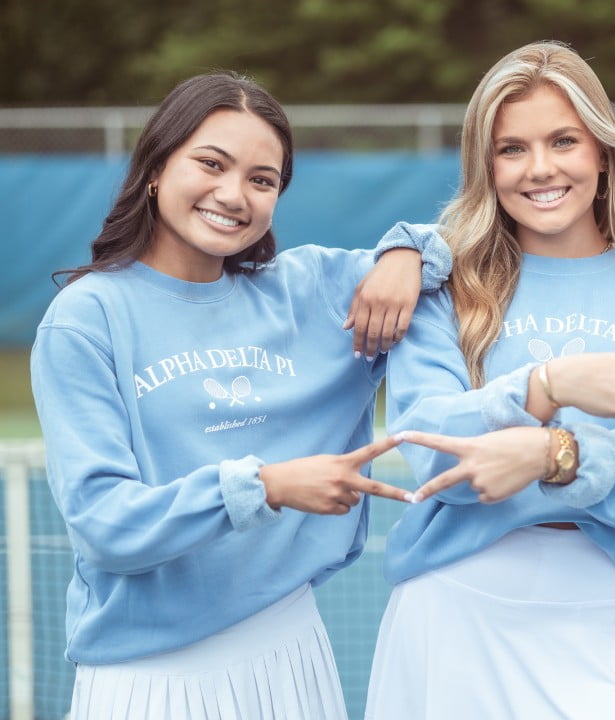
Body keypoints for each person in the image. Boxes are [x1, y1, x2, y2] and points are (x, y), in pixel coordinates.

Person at [30, 71, 451, 719]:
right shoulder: (88, 316)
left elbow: (481, 243)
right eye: (210, 163)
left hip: (291, 651)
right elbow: (105, 524)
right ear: (155, 167)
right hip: (147, 678)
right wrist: (266, 485)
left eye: (262, 180)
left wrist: (408, 251)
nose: (234, 194)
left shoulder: (310, 291)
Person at [363, 42, 615, 719]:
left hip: (607, 611)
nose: (541, 169)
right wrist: (545, 386)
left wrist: (552, 455)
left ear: (603, 152)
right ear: (485, 164)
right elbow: (433, 447)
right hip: (454, 612)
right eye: (511, 149)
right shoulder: (444, 290)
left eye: (564, 141)